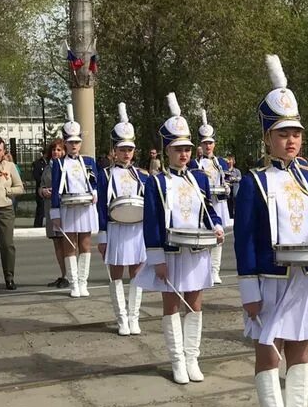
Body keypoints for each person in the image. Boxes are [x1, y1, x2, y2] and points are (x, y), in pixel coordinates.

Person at [235, 54, 308, 407]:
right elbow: (243, 239)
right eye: (282, 134)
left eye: (295, 133)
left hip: (307, 275)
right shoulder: (253, 181)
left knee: (302, 349)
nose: (290, 141)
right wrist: (249, 290)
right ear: (267, 139)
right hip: (270, 278)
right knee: (269, 351)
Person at [137, 93, 224, 383]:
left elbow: (209, 209)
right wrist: (157, 258)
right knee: (172, 304)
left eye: (187, 148)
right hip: (172, 252)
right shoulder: (157, 182)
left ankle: (192, 357)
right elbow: (151, 221)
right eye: (177, 149)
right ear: (167, 152)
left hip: (197, 250)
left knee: (195, 303)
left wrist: (218, 226)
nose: (184, 154)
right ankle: (176, 360)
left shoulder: (199, 178)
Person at [97, 104, 148, 336]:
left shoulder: (141, 175)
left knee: (137, 273)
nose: (127, 153)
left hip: (136, 229)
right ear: (114, 151)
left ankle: (134, 316)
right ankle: (121, 319)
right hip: (116, 228)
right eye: (122, 149)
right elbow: (100, 207)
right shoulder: (105, 174)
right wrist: (102, 235)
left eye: (130, 149)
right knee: (116, 274)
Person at [50, 105, 99, 298]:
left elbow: (94, 182)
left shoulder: (88, 161)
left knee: (85, 244)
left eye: (77, 142)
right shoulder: (59, 163)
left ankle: (83, 281)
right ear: (66, 143)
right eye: (70, 143)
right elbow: (55, 187)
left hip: (85, 206)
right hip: (67, 207)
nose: (74, 146)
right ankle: (73, 283)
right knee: (70, 244)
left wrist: (95, 192)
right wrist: (55, 213)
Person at [191, 111, 232, 285]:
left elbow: (225, 179)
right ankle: (204, 270)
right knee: (205, 236)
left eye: (211, 143)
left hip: (219, 202)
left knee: (219, 237)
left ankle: (215, 270)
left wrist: (227, 188)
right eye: (205, 143)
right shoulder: (194, 163)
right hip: (204, 203)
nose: (208, 146)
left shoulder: (221, 162)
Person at [0, 135, 24, 291]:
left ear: (4, 150)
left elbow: (20, 187)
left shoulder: (9, 166)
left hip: (5, 208)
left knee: (7, 245)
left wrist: (7, 191)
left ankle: (9, 277)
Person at [39, 139, 69, 288]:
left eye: (59, 150)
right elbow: (41, 185)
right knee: (57, 243)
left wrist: (57, 193)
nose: (55, 152)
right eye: (54, 150)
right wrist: (43, 191)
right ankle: (63, 274)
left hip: (64, 208)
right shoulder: (47, 168)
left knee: (67, 242)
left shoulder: (67, 166)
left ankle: (70, 274)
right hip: (50, 207)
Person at [31, 151, 46, 227]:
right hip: (40, 188)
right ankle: (38, 224)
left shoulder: (52, 162)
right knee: (41, 207)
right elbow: (36, 175)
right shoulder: (37, 163)